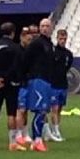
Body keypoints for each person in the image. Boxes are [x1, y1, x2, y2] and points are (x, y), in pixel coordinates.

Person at [0, 22, 25, 152]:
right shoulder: (15, 48)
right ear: (13, 33)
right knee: (11, 113)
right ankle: (12, 142)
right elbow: (15, 67)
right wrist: (5, 79)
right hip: (10, 84)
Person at [23, 18, 55, 152]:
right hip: (38, 80)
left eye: (47, 26)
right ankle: (37, 140)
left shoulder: (49, 44)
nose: (44, 28)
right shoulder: (36, 43)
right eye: (42, 26)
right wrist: (29, 75)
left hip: (46, 81)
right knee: (40, 110)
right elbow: (25, 59)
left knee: (44, 111)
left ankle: (37, 139)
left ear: (51, 27)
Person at [49, 29, 73, 142]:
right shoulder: (53, 52)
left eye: (64, 39)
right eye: (60, 39)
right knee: (54, 108)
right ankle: (56, 131)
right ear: (57, 38)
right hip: (53, 85)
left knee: (59, 109)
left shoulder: (69, 54)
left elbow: (67, 68)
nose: (62, 41)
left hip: (63, 84)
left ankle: (55, 128)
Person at [15, 26, 33, 146]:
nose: (28, 39)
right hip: (20, 84)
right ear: (22, 37)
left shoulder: (31, 51)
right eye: (27, 37)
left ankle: (25, 133)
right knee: (20, 110)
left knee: (26, 110)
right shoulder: (16, 51)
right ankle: (18, 134)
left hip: (29, 83)